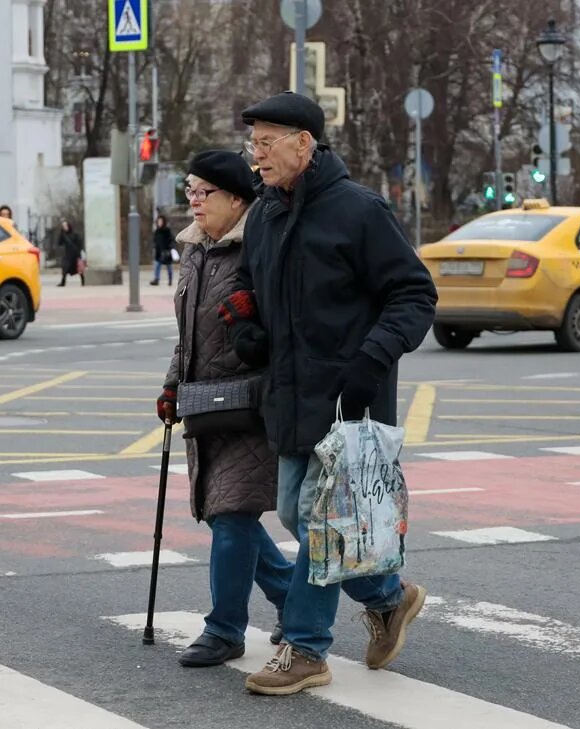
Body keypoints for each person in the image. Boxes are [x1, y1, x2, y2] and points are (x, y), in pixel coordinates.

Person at [220, 91, 437, 696]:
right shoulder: (266, 214)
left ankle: (306, 648)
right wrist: (244, 327)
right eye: (253, 144)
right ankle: (389, 597)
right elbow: (246, 284)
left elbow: (414, 294)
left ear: (304, 144)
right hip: (290, 395)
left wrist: (372, 359)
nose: (257, 155)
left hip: (348, 396)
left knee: (320, 523)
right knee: (297, 512)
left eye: (267, 143)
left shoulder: (359, 210)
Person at [158, 150, 294, 668]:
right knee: (222, 514)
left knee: (233, 512)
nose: (194, 200)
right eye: (189, 190)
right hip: (206, 405)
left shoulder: (259, 248)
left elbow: (283, 326)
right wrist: (172, 386)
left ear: (237, 200)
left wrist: (250, 322)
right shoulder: (195, 251)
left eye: (204, 192)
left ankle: (224, 629)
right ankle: (290, 594)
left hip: (251, 404)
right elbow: (188, 336)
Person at [56, 219, 84, 287]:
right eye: (63, 226)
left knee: (79, 269)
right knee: (65, 268)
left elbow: (79, 244)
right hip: (68, 255)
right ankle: (63, 282)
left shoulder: (75, 234)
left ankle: (83, 281)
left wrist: (79, 252)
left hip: (75, 254)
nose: (65, 227)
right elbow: (59, 243)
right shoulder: (64, 235)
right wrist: (61, 234)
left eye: (66, 225)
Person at [150, 215, 175, 286]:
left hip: (166, 251)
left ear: (163, 222)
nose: (159, 223)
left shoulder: (167, 230)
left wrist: (169, 247)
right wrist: (155, 247)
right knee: (157, 266)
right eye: (158, 221)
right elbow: (155, 241)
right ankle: (156, 279)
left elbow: (171, 240)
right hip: (159, 252)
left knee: (169, 266)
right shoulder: (157, 231)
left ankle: (170, 280)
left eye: (161, 221)